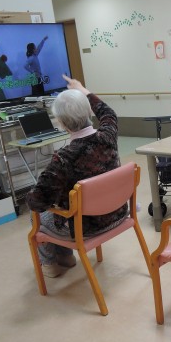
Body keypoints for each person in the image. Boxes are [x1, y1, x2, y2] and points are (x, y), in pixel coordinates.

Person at [26, 74, 127, 278]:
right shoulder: (108, 135)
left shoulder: (63, 158)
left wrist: (35, 192)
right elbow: (108, 112)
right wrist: (83, 90)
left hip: (87, 228)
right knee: (62, 207)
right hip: (118, 213)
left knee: (38, 215)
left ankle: (51, 264)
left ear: (62, 124)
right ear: (89, 112)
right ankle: (65, 257)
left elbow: (37, 202)